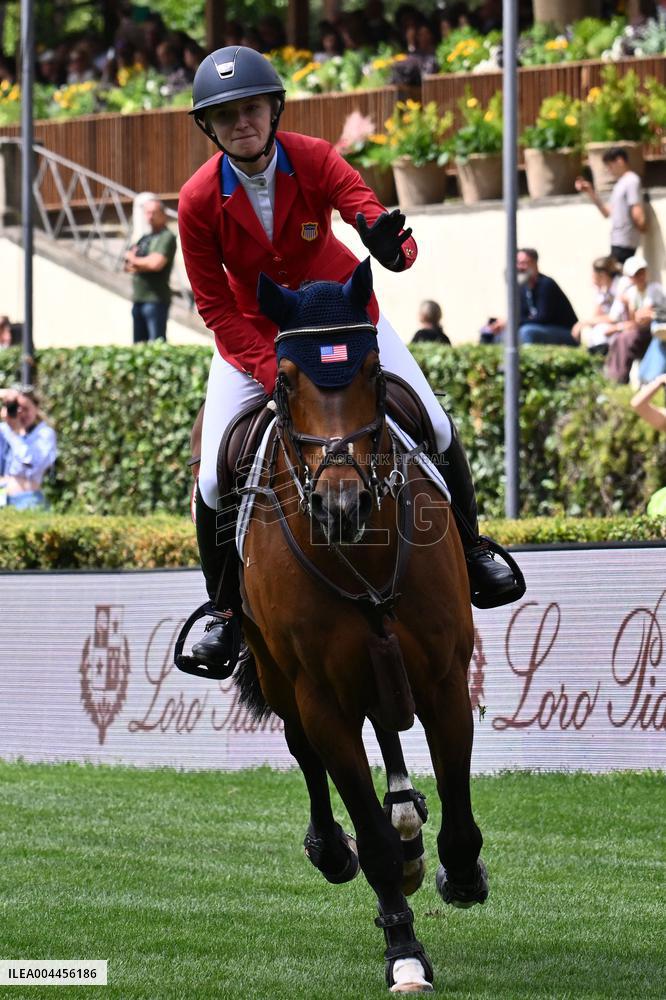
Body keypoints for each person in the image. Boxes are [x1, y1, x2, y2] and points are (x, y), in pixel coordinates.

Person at [177, 45, 523, 674]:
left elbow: (368, 211)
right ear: (210, 127)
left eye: (251, 109)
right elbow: (214, 307)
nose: (242, 125)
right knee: (211, 476)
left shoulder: (313, 158)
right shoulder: (198, 199)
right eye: (226, 117)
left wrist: (390, 244)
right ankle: (224, 613)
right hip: (256, 338)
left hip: (345, 319)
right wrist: (270, 373)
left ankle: (473, 553)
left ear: (272, 109)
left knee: (436, 424)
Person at [485, 248, 578, 346]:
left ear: (535, 264)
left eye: (524, 263)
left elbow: (542, 318)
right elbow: (521, 316)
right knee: (493, 332)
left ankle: (524, 360)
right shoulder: (522, 287)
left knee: (526, 332)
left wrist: (510, 322)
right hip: (538, 328)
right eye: (517, 263)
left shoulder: (546, 284)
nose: (520, 267)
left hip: (566, 332)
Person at [575, 148, 647, 265]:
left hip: (625, 241)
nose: (609, 170)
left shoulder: (631, 180)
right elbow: (607, 212)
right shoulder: (620, 184)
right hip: (618, 240)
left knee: (615, 277)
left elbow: (636, 209)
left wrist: (642, 226)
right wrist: (590, 192)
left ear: (619, 161)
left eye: (610, 165)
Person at [605, 254, 666, 384]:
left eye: (641, 272)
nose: (639, 277)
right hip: (639, 331)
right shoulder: (630, 293)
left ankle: (618, 379)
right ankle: (615, 378)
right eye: (635, 275)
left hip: (652, 331)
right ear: (629, 277)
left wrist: (650, 314)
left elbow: (656, 315)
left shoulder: (655, 289)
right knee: (620, 338)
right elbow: (630, 320)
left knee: (626, 338)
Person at [124, 198, 177, 343]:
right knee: (138, 347)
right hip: (138, 299)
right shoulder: (145, 238)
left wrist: (135, 260)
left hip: (156, 300)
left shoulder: (166, 237)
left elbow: (156, 264)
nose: (150, 216)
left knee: (156, 346)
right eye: (147, 213)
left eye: (154, 212)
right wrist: (139, 262)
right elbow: (127, 266)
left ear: (163, 214)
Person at [0, 387, 57, 509]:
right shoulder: (5, 429)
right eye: (17, 408)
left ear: (36, 408)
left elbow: (30, 461)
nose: (21, 413)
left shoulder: (45, 434)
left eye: (26, 408)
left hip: (28, 501)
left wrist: (14, 433)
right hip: (4, 500)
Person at [571, 256, 623, 354]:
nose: (592, 277)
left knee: (600, 333)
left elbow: (614, 317)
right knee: (594, 333)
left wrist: (583, 323)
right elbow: (597, 316)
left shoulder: (620, 285)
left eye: (594, 274)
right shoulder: (605, 290)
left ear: (602, 275)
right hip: (614, 328)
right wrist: (598, 290)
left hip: (623, 326)